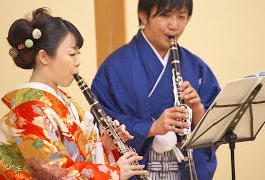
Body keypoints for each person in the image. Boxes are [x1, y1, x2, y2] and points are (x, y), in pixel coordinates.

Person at [0, 8, 148, 180]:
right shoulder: (30, 109)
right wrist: (114, 173)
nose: (78, 62)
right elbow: (54, 173)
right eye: (72, 54)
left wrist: (103, 145)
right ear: (44, 57)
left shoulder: (62, 100)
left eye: (78, 54)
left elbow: (75, 155)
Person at [91, 0, 221, 179]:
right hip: (140, 170)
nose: (174, 25)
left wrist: (198, 109)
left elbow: (216, 129)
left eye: (181, 17)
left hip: (184, 170)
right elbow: (103, 121)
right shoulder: (116, 66)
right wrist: (151, 127)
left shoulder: (196, 67)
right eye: (165, 15)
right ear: (143, 15)